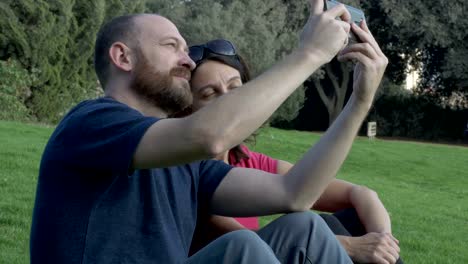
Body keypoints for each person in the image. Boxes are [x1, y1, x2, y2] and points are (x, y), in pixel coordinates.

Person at [30, 0, 389, 263]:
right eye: (171, 47)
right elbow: (209, 136)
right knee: (242, 249)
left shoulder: (188, 163)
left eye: (186, 51)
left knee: (306, 228)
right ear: (123, 57)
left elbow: (294, 193)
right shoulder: (92, 121)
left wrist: (359, 102)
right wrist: (310, 53)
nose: (188, 61)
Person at [188, 39, 402, 264]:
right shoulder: (185, 173)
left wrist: (383, 242)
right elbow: (249, 246)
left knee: (349, 221)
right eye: (210, 94)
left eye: (234, 88)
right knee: (309, 227)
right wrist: (351, 246)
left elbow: (360, 194)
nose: (228, 100)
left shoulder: (249, 162)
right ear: (185, 109)